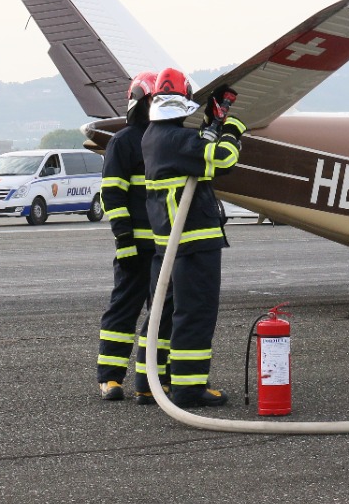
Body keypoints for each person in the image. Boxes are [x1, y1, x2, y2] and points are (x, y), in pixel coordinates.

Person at [141, 68, 245, 408]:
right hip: (194, 241)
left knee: (167, 312)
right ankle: (189, 388)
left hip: (170, 243)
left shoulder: (155, 137)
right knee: (195, 313)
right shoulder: (177, 140)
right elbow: (225, 159)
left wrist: (210, 126)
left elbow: (199, 159)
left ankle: (149, 382)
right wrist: (231, 128)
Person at [95, 72, 174, 402]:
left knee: (162, 315)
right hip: (135, 248)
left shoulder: (170, 139)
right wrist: (124, 240)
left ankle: (150, 382)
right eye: (152, 101)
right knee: (123, 311)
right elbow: (111, 195)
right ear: (140, 103)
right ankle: (110, 378)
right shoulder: (124, 141)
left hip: (164, 249)